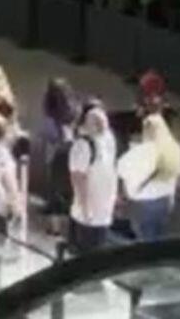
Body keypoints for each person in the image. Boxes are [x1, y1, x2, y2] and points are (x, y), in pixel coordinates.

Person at [117, 113, 180, 241]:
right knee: (160, 237)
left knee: (145, 240)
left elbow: (120, 169)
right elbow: (174, 176)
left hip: (143, 203)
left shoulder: (140, 151)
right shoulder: (173, 150)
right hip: (164, 200)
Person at [68, 104, 117, 254]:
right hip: (87, 216)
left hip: (104, 211)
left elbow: (111, 169)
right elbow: (78, 178)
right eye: (98, 123)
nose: (103, 126)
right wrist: (85, 208)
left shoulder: (108, 139)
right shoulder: (83, 145)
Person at [39, 78, 78, 227]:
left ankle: (54, 212)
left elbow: (48, 135)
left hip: (54, 150)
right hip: (69, 148)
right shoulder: (72, 109)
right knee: (68, 180)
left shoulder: (50, 115)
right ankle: (67, 206)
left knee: (53, 183)